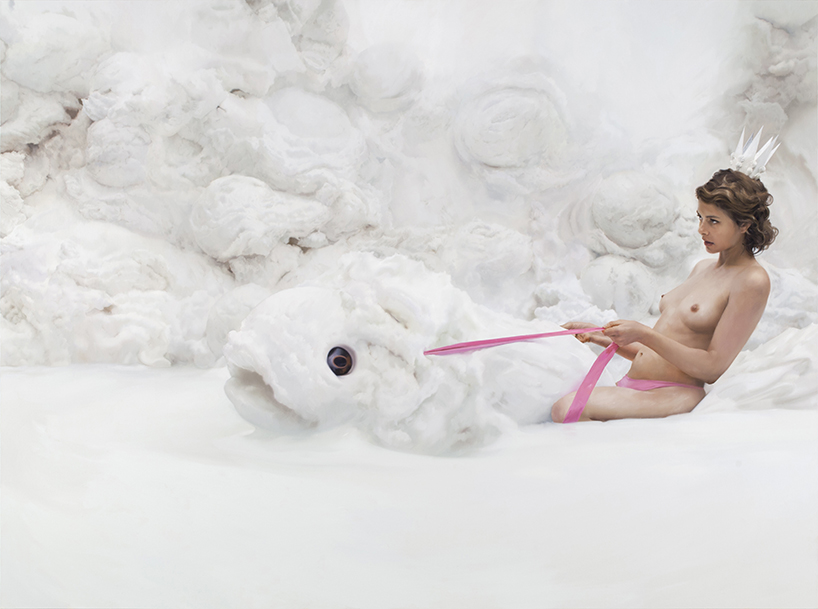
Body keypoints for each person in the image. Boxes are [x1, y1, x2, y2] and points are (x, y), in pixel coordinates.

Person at [551, 168, 778, 422]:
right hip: (637, 386)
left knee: (564, 410)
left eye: (713, 221)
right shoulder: (702, 268)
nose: (702, 229)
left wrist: (644, 333)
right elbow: (660, 352)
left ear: (744, 224)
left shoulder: (752, 281)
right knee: (557, 405)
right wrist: (599, 335)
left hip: (674, 392)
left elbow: (713, 368)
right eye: (700, 217)